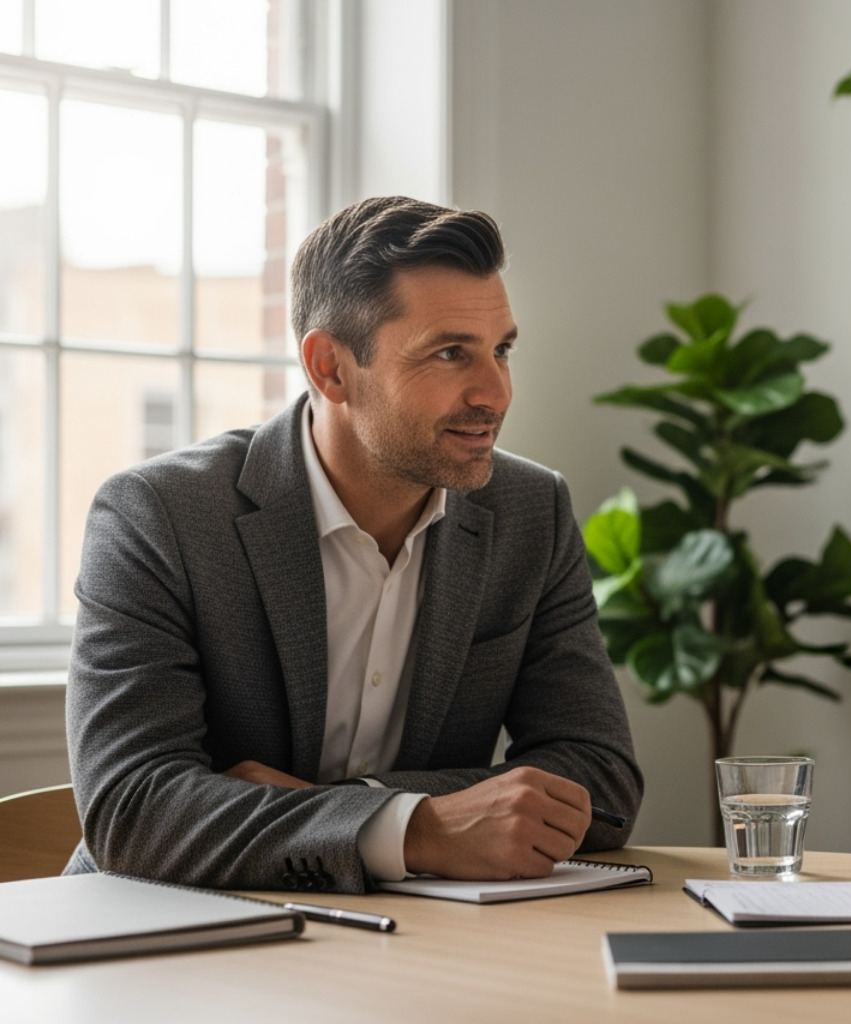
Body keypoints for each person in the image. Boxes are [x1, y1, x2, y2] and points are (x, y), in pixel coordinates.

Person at [66, 196, 643, 894]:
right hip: (171, 938)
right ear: (330, 368)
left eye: (502, 350)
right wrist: (421, 829)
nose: (495, 392)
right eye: (451, 353)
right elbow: (133, 811)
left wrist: (367, 806)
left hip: (411, 940)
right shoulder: (160, 517)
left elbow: (601, 778)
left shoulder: (530, 511)